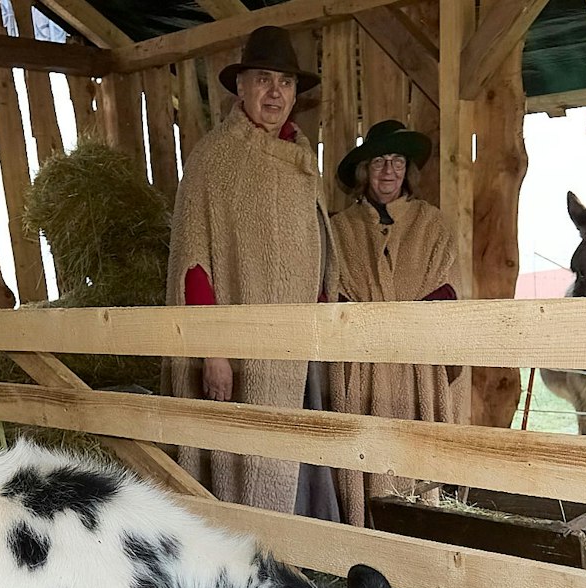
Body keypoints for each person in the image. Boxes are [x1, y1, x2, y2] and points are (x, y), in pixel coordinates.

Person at [163, 25, 335, 516]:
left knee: (297, 452)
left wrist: (322, 315)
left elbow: (320, 246)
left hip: (298, 347)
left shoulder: (302, 160)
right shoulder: (215, 160)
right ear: (241, 87)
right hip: (241, 353)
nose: (275, 92)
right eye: (263, 79)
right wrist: (213, 350)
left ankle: (301, 554)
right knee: (246, 457)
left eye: (285, 82)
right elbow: (195, 263)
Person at [325, 119, 466, 525]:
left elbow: (448, 291)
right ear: (364, 171)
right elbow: (333, 294)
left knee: (414, 457)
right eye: (379, 161)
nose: (388, 171)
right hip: (362, 368)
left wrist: (407, 325)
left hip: (416, 365)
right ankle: (363, 534)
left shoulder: (432, 225)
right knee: (364, 456)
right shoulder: (341, 229)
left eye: (398, 161)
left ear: (408, 170)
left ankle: (419, 539)